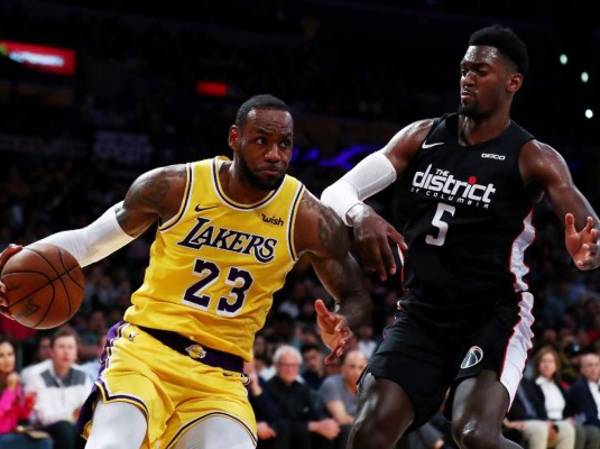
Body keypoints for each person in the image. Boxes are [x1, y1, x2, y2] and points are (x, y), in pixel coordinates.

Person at [0, 94, 369, 449]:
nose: (275, 154)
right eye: (262, 141)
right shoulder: (175, 186)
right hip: (145, 352)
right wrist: (23, 259)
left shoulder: (306, 216)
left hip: (219, 375)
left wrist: (343, 321)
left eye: (284, 144)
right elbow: (88, 242)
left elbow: (353, 294)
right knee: (112, 442)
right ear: (235, 138)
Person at [318, 25, 600, 449]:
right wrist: (361, 214)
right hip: (422, 312)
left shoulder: (533, 156)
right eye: (465, 69)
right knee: (368, 433)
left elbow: (591, 231)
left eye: (480, 71)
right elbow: (336, 192)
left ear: (512, 82)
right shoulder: (422, 136)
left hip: (493, 314)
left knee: (474, 435)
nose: (467, 78)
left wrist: (588, 252)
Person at [25, 326, 91, 449]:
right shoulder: (37, 374)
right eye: (61, 347)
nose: (66, 352)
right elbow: (42, 417)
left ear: (76, 352)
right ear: (51, 351)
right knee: (65, 429)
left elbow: (87, 410)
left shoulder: (82, 375)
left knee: (87, 431)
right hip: (43, 428)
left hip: (72, 427)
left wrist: (76, 416)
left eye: (70, 347)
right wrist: (71, 415)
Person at [266, 345, 340, 449]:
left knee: (328, 432)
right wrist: (310, 426)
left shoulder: (302, 388)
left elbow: (313, 413)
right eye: (285, 365)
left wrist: (325, 423)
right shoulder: (268, 388)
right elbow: (279, 423)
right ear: (276, 366)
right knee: (301, 433)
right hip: (279, 437)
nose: (290, 369)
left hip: (303, 434)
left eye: (294, 365)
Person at [0, 337, 53, 449]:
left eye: (10, 354)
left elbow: (21, 415)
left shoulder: (14, 380)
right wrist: (10, 391)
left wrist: (28, 405)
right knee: (44, 443)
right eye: (1, 355)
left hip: (11, 434)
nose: (7, 360)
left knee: (45, 440)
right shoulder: (12, 384)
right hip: (3, 437)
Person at [318, 350, 368, 448]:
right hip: (331, 436)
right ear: (343, 368)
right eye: (352, 366)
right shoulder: (332, 383)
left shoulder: (368, 387)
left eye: (361, 367)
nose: (356, 372)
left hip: (358, 432)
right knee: (348, 429)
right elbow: (341, 418)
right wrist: (368, 426)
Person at [566, 353, 600, 449]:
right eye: (589, 365)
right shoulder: (578, 388)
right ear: (582, 369)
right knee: (594, 433)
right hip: (588, 425)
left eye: (596, 365)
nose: (594, 368)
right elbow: (585, 416)